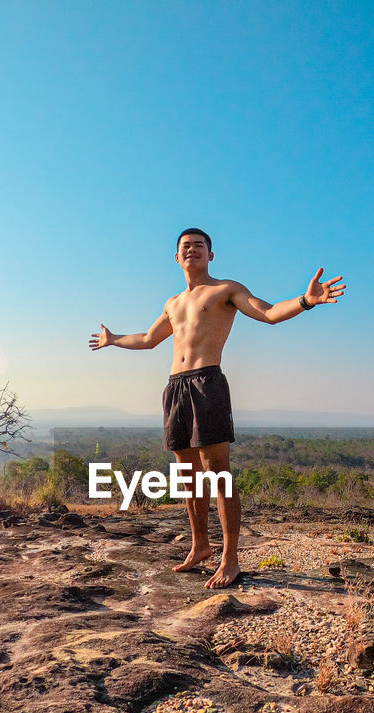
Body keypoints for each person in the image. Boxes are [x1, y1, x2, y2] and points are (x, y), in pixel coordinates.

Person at [88, 227, 346, 588]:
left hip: (207, 382)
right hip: (175, 387)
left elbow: (269, 313)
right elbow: (148, 340)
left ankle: (230, 557)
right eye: (185, 246)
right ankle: (200, 546)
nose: (192, 249)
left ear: (211, 255)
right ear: (176, 258)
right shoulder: (173, 303)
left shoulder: (226, 289)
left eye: (199, 245)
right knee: (187, 474)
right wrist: (113, 339)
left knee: (218, 472)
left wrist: (305, 301)